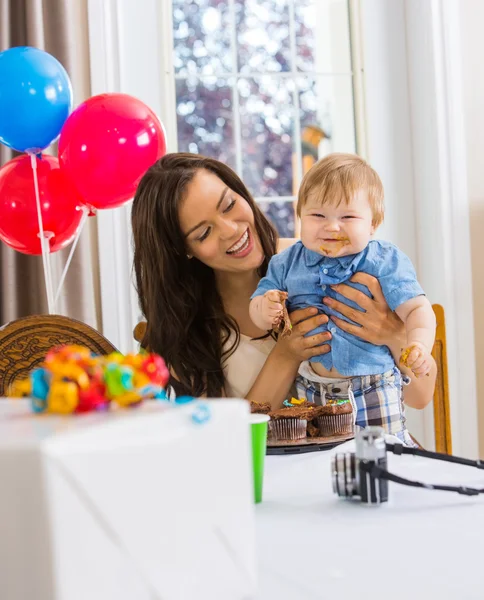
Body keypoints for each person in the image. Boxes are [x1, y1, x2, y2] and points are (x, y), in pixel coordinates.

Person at [131, 152, 436, 415]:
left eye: (228, 205)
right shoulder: (186, 330)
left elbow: (420, 397)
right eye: (203, 233)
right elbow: (228, 439)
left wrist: (393, 336)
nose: (229, 230)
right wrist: (287, 354)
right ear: (182, 250)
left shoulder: (315, 260)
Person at [249, 153, 436, 444]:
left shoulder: (384, 260)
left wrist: (419, 344)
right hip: (312, 389)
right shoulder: (285, 263)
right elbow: (258, 304)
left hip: (374, 386)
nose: (331, 227)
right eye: (318, 215)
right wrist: (265, 308)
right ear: (301, 216)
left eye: (347, 216)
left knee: (385, 456)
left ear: (373, 223)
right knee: (320, 462)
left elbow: (418, 309)